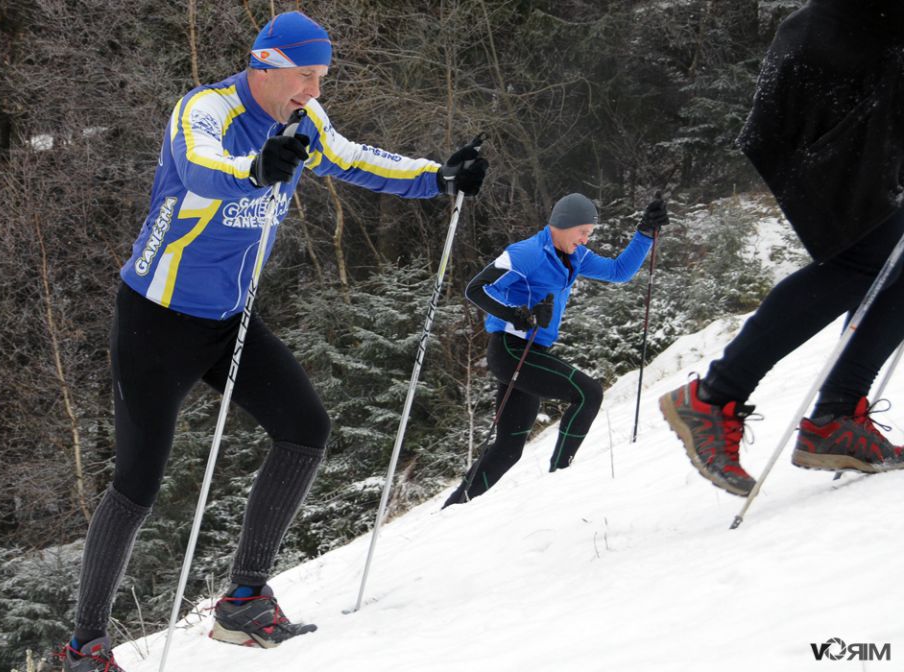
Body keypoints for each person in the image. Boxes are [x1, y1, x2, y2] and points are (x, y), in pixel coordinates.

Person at [60, 10, 488, 671]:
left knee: (304, 428)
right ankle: (84, 648)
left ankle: (244, 599)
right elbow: (201, 168)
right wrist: (255, 168)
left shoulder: (304, 122)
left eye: (321, 79)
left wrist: (439, 177)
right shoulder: (204, 110)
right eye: (304, 78)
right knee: (138, 482)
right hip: (156, 320)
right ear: (265, 66)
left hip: (230, 320)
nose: (313, 92)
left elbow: (351, 158)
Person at [659, 0, 904, 498]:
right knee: (866, 253)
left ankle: (836, 415)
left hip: (858, 72)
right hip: (837, 74)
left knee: (890, 249)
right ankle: (713, 397)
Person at [443, 192, 668, 506]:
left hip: (532, 352)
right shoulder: (526, 254)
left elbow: (619, 272)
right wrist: (517, 313)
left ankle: (454, 508)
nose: (586, 238)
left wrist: (645, 234)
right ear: (564, 224)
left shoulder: (576, 257)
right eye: (583, 231)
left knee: (509, 448)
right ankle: (561, 476)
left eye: (589, 233)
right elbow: (477, 289)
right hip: (510, 348)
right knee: (588, 392)